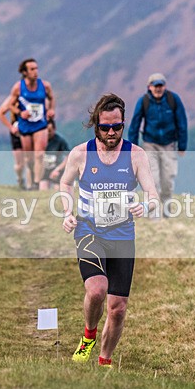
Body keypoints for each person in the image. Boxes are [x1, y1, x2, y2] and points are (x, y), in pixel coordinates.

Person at [59, 93, 159, 367]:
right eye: (106, 127)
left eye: (117, 126)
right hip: (90, 231)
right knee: (96, 291)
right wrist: (68, 213)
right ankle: (88, 335)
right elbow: (65, 184)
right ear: (96, 125)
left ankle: (104, 362)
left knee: (118, 309)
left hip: (123, 236)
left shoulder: (136, 155)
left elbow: (152, 194)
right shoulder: (81, 154)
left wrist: (146, 206)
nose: (112, 132)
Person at [128, 73, 188, 217]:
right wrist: (133, 148)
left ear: (165, 86)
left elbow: (182, 122)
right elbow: (134, 125)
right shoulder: (143, 101)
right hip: (150, 144)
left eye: (160, 86)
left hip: (169, 145)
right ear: (149, 87)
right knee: (152, 180)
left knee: (168, 180)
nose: (158, 89)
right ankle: (153, 215)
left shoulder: (173, 100)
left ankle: (167, 212)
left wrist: (182, 145)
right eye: (155, 86)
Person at [7, 58, 56, 190]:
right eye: (32, 69)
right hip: (25, 125)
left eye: (36, 68)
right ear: (24, 72)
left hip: (40, 124)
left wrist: (51, 110)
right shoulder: (18, 87)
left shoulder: (45, 86)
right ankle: (33, 175)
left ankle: (36, 183)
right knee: (29, 159)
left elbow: (51, 98)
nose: (36, 72)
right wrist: (19, 112)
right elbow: (10, 105)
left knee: (39, 154)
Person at [0, 94, 27, 189]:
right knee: (19, 163)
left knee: (31, 159)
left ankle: (33, 184)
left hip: (32, 131)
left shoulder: (36, 96)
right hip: (17, 132)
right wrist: (11, 127)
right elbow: (0, 113)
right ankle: (20, 179)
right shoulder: (13, 97)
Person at [39, 120, 69, 191]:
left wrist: (58, 169)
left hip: (56, 169)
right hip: (44, 170)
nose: (47, 133)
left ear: (54, 129)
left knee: (57, 190)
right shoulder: (39, 139)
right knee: (42, 190)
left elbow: (68, 156)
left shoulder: (60, 140)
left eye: (49, 130)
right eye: (45, 130)